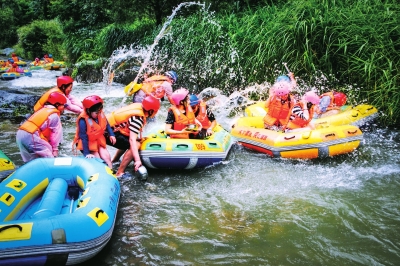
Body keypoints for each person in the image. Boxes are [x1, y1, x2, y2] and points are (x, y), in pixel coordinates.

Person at [106, 95, 161, 178]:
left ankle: (115, 161)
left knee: (130, 141)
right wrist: (137, 160)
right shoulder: (138, 118)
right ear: (150, 111)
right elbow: (132, 140)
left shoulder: (138, 106)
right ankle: (120, 172)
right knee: (136, 144)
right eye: (155, 111)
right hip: (107, 133)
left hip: (107, 129)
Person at [16, 92, 67, 162]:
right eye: (63, 105)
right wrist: (55, 150)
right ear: (57, 104)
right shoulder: (54, 115)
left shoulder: (42, 109)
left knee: (30, 160)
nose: (64, 108)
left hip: (20, 133)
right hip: (31, 135)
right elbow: (55, 134)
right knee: (49, 158)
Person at [73, 95, 116, 168]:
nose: (99, 114)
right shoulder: (83, 121)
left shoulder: (99, 112)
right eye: (96, 113)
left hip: (98, 139)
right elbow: (84, 138)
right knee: (98, 159)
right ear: (88, 110)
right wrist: (87, 153)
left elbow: (106, 123)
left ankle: (112, 174)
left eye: (99, 111)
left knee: (107, 157)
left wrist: (111, 134)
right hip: (88, 142)